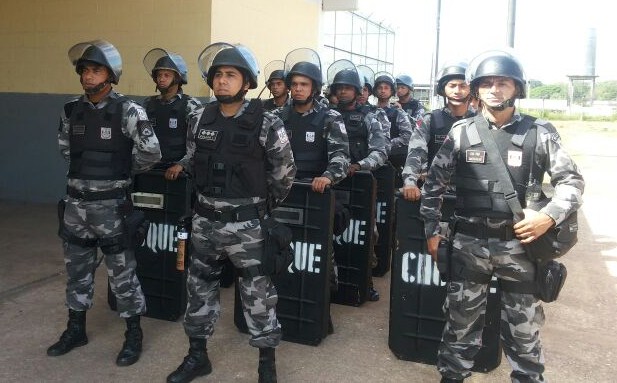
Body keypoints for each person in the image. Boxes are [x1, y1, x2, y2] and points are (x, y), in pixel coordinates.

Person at [420, 49, 584, 383]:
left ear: (516, 89)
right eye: (488, 83)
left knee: (524, 337)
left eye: (503, 83)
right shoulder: (461, 132)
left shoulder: (540, 133)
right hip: (468, 246)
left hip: (521, 248)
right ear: (476, 90)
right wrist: (432, 232)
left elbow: (572, 181)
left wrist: (548, 217)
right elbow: (433, 185)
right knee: (459, 330)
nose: (495, 89)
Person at [165, 42, 296, 383]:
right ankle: (197, 356)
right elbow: (194, 157)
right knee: (199, 289)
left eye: (230, 75)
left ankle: (266, 366)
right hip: (204, 221)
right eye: (218, 75)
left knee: (258, 295)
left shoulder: (266, 122)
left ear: (248, 82)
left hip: (247, 226)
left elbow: (284, 173)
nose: (222, 81)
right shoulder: (199, 117)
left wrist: (259, 209)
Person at [48, 39, 162, 366]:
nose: (87, 76)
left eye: (95, 69)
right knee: (77, 272)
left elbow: (150, 152)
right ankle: (76, 329)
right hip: (75, 205)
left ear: (110, 75)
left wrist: (122, 170)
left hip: (112, 206)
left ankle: (133, 335)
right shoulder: (71, 109)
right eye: (84, 70)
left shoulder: (128, 110)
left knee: (122, 273)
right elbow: (67, 150)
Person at [330, 61, 388, 301]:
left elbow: (381, 152)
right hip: (333, 183)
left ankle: (366, 280)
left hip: (359, 183)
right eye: (339, 88)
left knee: (366, 234)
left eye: (348, 88)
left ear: (356, 90)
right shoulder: (327, 115)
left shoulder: (369, 118)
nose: (343, 91)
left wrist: (360, 165)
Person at [402, 61, 475, 201]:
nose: (457, 91)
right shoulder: (431, 120)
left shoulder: (480, 121)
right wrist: (410, 182)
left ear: (471, 89)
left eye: (463, 86)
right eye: (452, 86)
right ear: (443, 89)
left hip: (471, 194)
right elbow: (415, 153)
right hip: (436, 192)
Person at [141, 48, 203, 180]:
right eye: (159, 75)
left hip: (179, 172)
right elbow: (139, 138)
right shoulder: (147, 104)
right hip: (150, 169)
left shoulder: (190, 105)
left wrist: (182, 165)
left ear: (177, 78)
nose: (161, 79)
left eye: (166, 75)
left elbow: (198, 143)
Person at [373, 72, 413, 175]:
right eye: (380, 88)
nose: (382, 90)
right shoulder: (368, 111)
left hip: (391, 159)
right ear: (375, 90)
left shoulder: (398, 112)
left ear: (391, 91)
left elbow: (407, 136)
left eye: (386, 88)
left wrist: (386, 144)